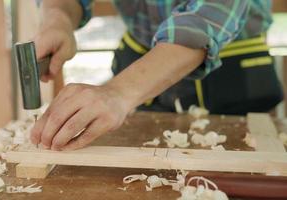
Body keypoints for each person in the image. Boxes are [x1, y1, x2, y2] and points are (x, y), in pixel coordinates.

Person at [30, 0, 283, 151]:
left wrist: (116, 93)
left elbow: (208, 14)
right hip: (136, 59)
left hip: (232, 68)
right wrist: (58, 19)